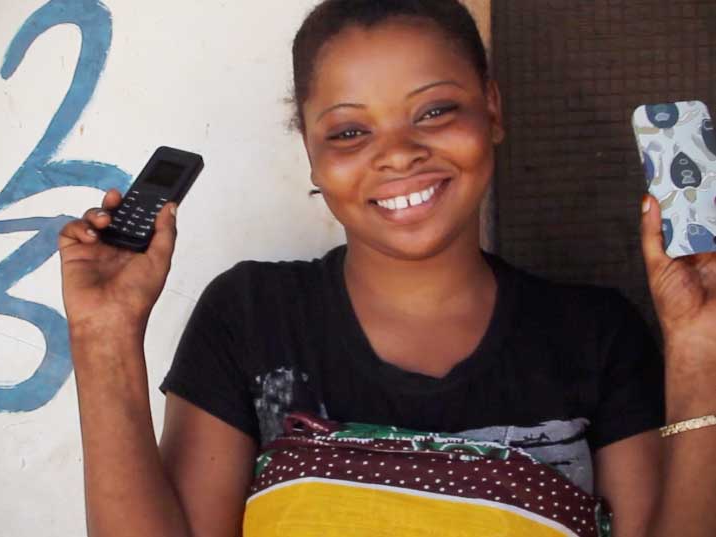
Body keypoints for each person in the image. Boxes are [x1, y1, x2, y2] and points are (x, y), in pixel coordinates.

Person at [58, 1, 716, 535]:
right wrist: (102, 334)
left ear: (491, 109)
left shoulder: (595, 334)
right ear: (312, 154)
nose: (398, 154)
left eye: (434, 111)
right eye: (349, 132)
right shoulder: (251, 316)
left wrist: (700, 351)